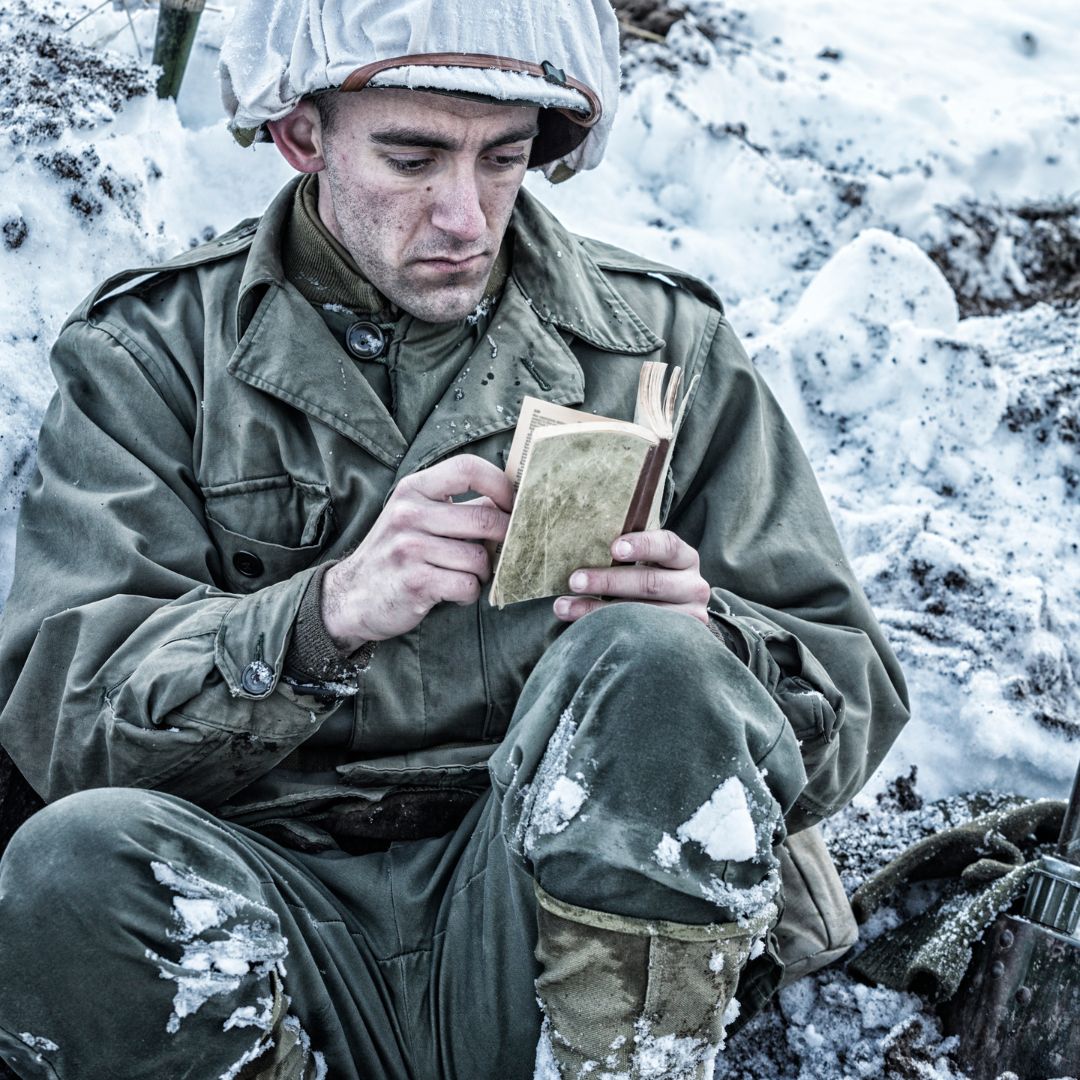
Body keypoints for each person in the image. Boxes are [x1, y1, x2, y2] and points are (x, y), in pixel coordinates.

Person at [0, 1, 909, 1077]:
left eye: (503, 160)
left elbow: (850, 692)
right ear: (302, 136)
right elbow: (64, 721)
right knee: (73, 861)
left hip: (544, 904)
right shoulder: (154, 354)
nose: (466, 218)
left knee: (660, 658)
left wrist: (716, 652)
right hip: (269, 903)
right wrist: (318, 616)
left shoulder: (663, 345)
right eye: (412, 156)